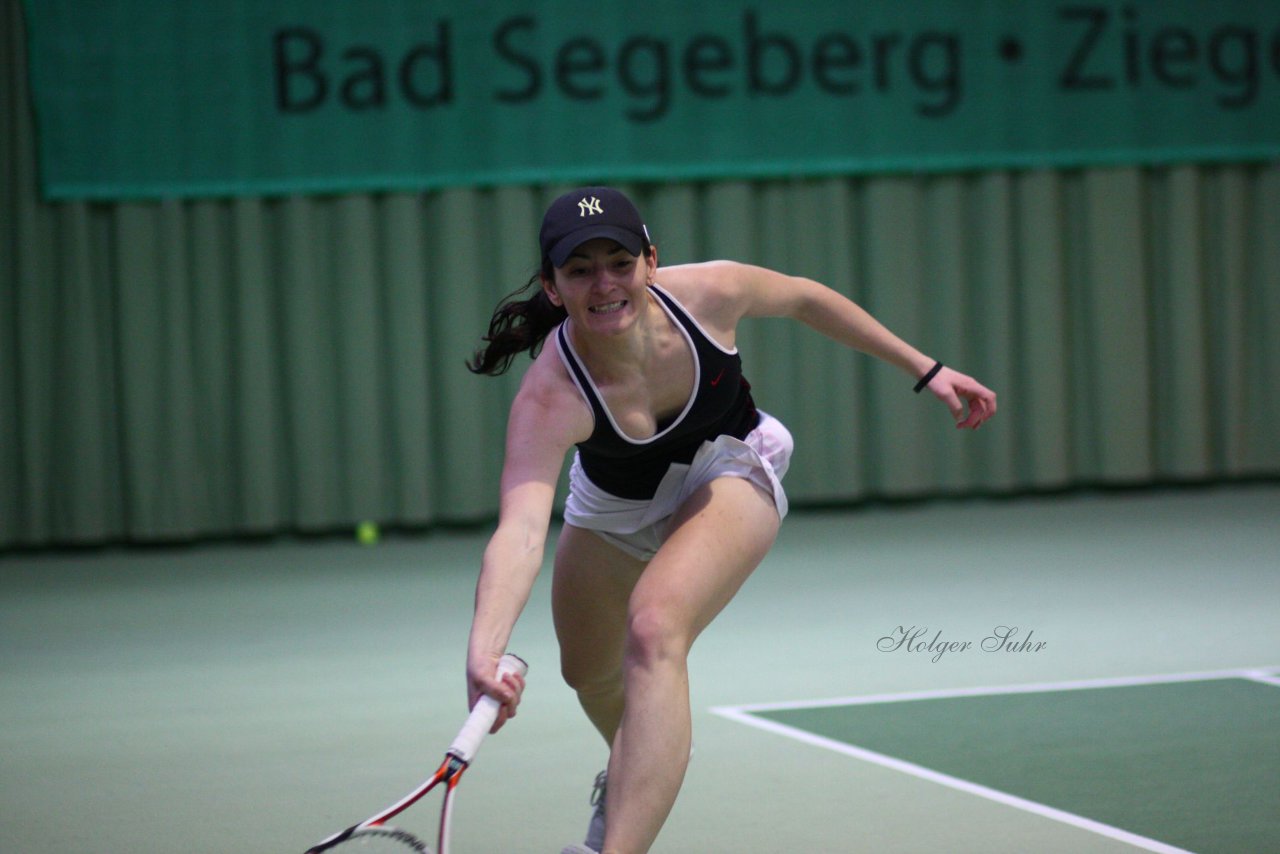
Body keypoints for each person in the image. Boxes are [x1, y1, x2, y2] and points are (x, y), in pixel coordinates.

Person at [464, 186, 996, 854]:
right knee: (588, 673)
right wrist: (483, 648)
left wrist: (928, 368)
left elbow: (805, 297)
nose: (604, 284)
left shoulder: (709, 295)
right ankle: (635, 767)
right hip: (614, 506)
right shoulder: (551, 395)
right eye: (580, 270)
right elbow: (518, 530)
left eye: (619, 262)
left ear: (650, 262)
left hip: (730, 466)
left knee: (655, 626)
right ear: (552, 285)